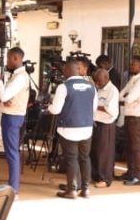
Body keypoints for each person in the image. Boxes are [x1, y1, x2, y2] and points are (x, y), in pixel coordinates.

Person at [49, 59, 97, 199]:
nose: (63, 72)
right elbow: (93, 109)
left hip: (69, 128)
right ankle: (86, 189)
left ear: (68, 70)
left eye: (64, 70)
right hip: (87, 128)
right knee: (85, 158)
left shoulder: (64, 87)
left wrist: (49, 108)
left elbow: (56, 110)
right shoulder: (91, 86)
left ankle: (72, 189)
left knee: (71, 158)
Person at [0, 47, 29, 194]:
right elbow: (6, 96)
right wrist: (4, 97)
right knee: (11, 152)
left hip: (13, 117)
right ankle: (12, 186)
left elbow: (3, 96)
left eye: (9, 58)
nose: (7, 61)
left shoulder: (20, 77)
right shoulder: (16, 75)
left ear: (16, 59)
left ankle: (14, 189)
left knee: (12, 153)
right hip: (12, 115)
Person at [118, 55, 140, 186]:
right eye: (131, 64)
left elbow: (129, 98)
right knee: (129, 146)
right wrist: (125, 97)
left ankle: (137, 176)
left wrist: (125, 98)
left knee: (135, 147)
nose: (131, 65)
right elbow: (121, 95)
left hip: (136, 117)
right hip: (129, 115)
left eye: (134, 64)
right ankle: (130, 172)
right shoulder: (133, 80)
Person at [91, 68, 119, 187]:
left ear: (107, 78)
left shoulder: (113, 90)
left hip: (106, 124)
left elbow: (109, 109)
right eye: (96, 81)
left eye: (100, 81)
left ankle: (105, 179)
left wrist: (97, 106)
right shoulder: (99, 89)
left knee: (104, 153)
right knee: (95, 151)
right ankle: (96, 175)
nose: (98, 83)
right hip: (96, 122)